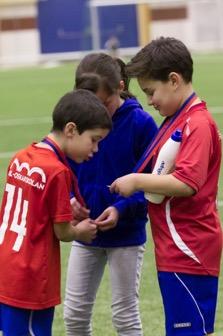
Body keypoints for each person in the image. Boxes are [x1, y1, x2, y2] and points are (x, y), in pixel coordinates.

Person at [110, 37, 222, 336]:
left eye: (151, 91)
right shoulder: (177, 118)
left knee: (189, 331)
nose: (149, 101)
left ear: (173, 80)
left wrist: (135, 182)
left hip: (188, 247)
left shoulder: (196, 123)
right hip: (174, 246)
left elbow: (187, 183)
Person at [0, 89, 112, 336]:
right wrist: (80, 231)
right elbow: (62, 231)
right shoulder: (57, 171)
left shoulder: (21, 157)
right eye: (93, 140)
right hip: (29, 276)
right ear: (71, 129)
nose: (95, 149)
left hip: (6, 263)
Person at [64, 53, 158, 336]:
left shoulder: (141, 123)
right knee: (74, 316)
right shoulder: (76, 121)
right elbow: (63, 170)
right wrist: (69, 200)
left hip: (126, 235)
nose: (97, 111)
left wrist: (121, 208)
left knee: (125, 317)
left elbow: (153, 185)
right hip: (84, 234)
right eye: (90, 103)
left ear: (119, 86)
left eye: (103, 103)